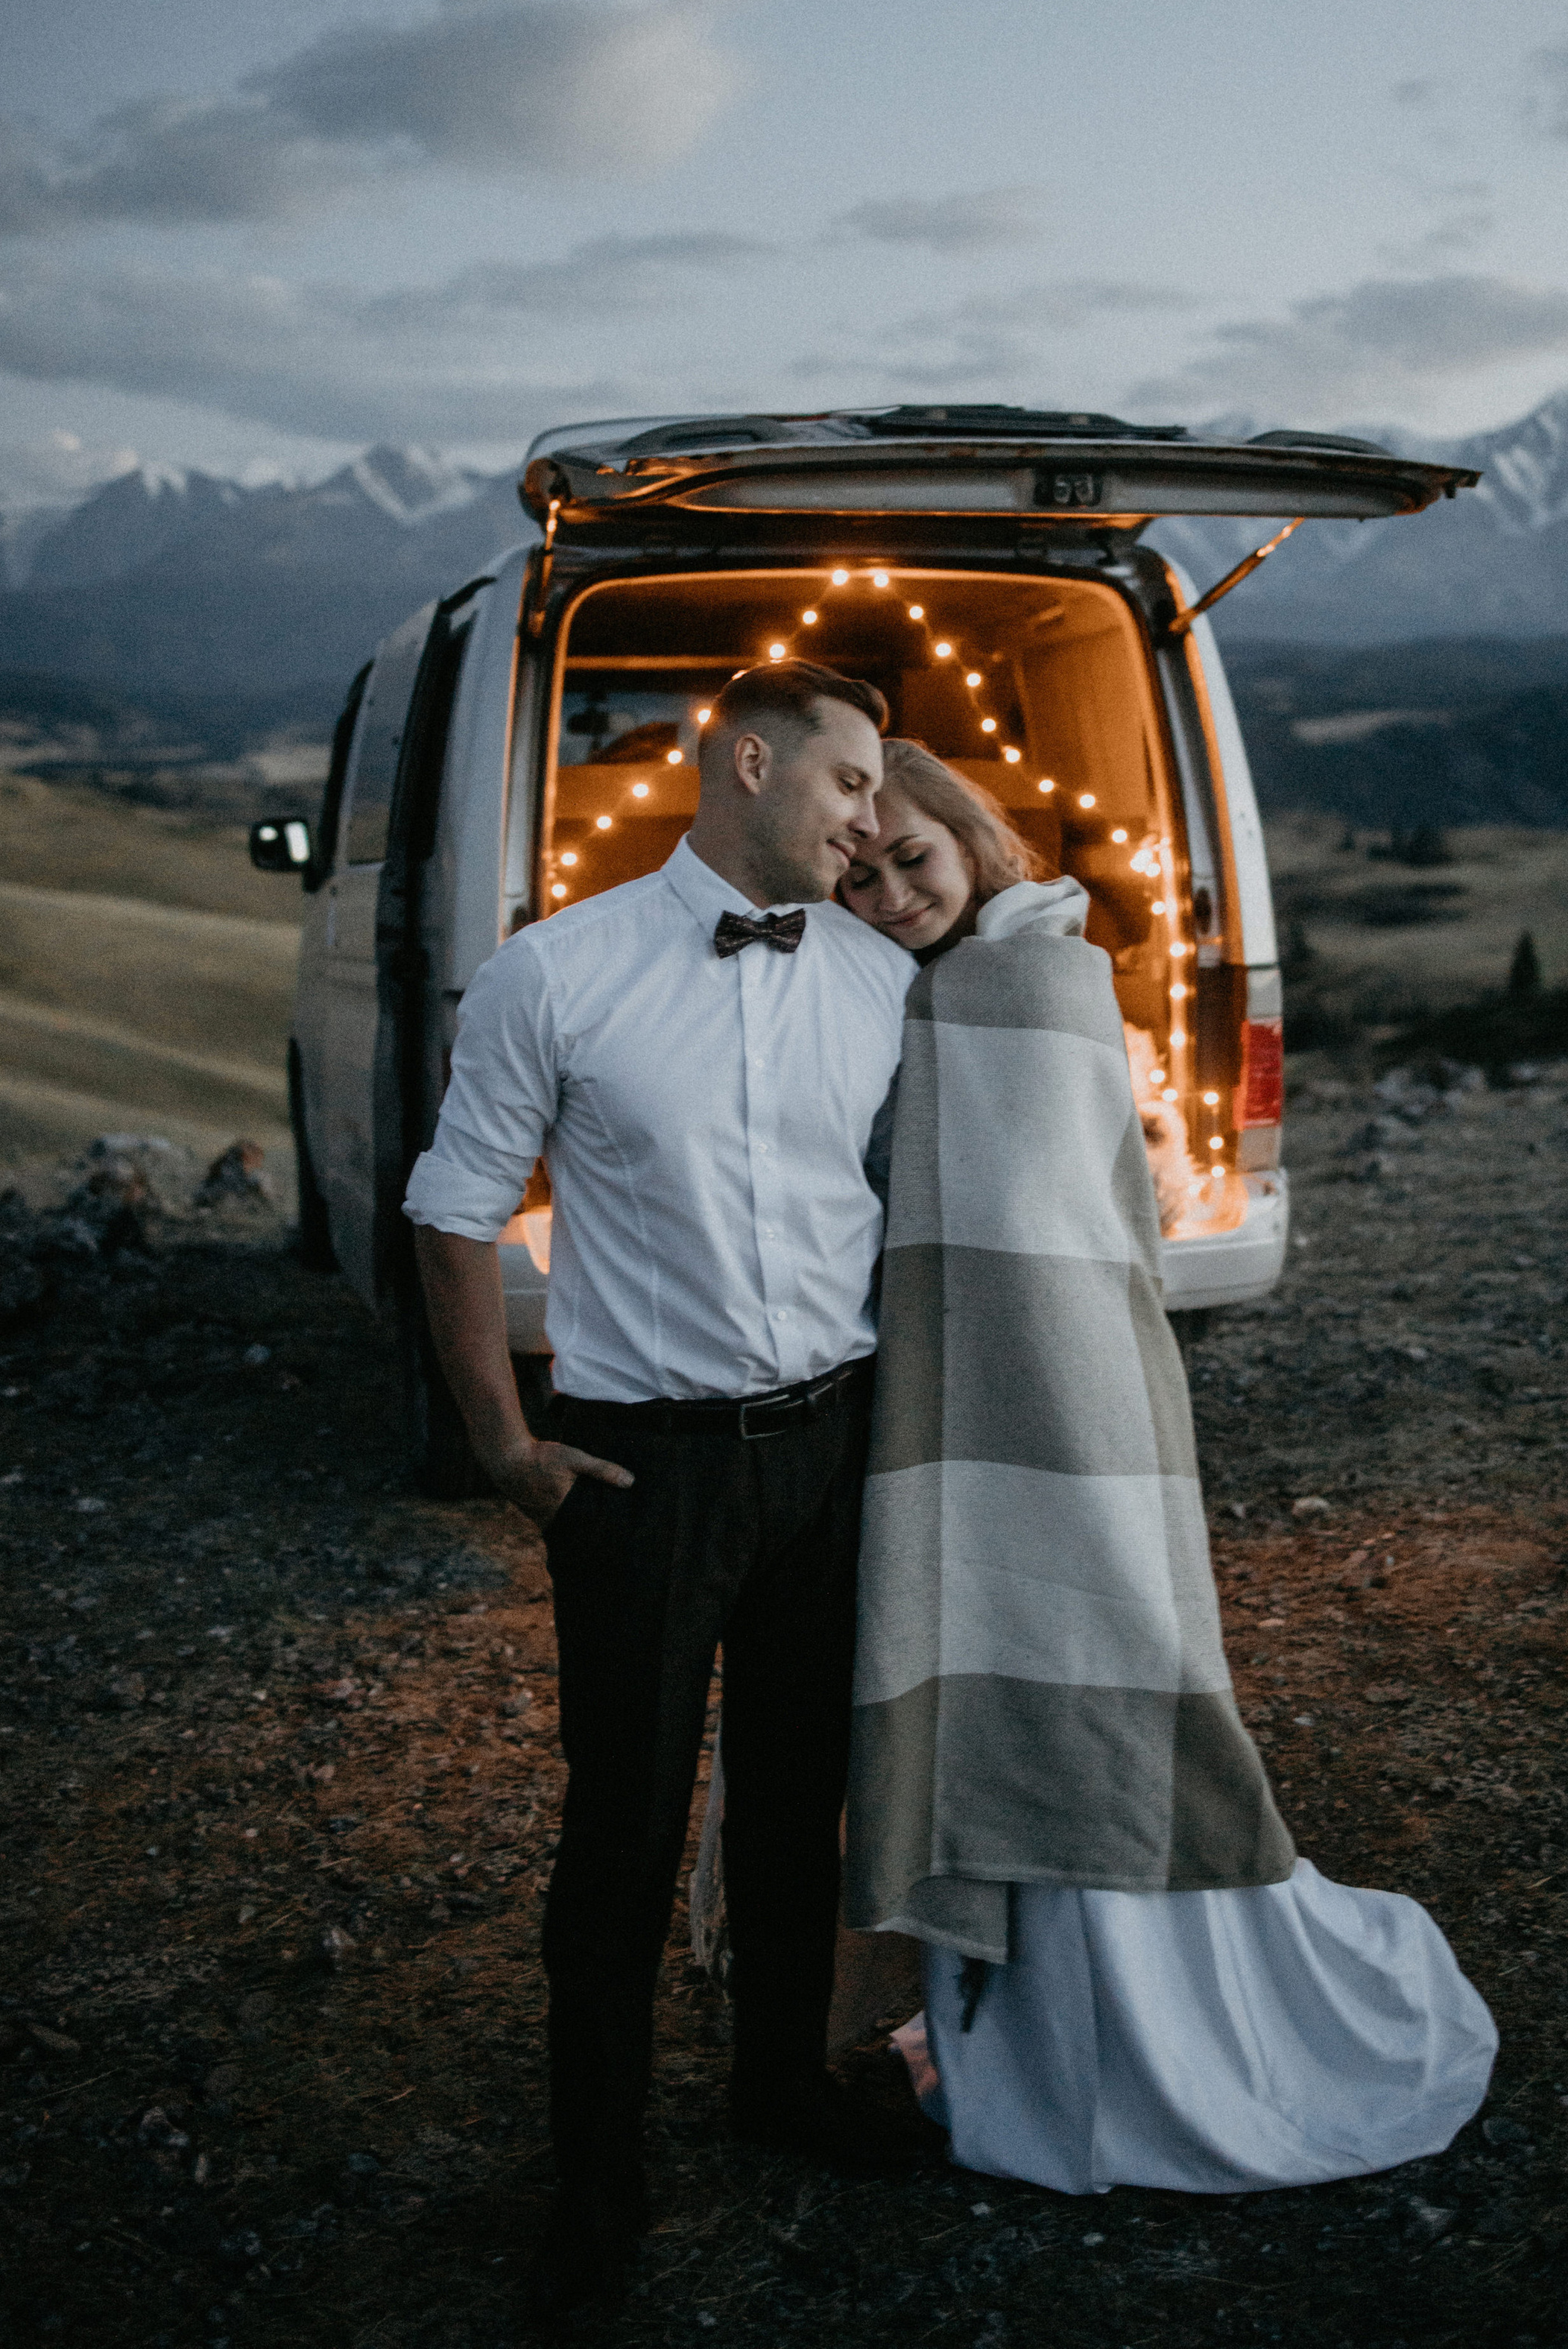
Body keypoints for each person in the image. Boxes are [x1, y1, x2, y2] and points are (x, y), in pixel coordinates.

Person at [837, 741, 1497, 2198]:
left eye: (911, 860)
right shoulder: (908, 986)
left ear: (970, 839)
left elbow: (1038, 1244)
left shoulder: (1030, 978)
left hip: (1059, 1427)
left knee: (1074, 1673)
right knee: (990, 1677)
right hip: (973, 1423)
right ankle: (996, 2018)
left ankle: (1101, 2044)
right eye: (856, 871)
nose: (886, 890)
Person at [404, 663, 921, 2312]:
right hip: (645, 1473)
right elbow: (453, 1206)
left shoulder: (877, 976)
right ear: (752, 764)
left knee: (792, 1811)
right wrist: (503, 1446)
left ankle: (776, 2087)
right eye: (847, 783)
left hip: (829, 1453)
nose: (867, 819)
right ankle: (595, 2175)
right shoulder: (553, 974)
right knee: (618, 1833)